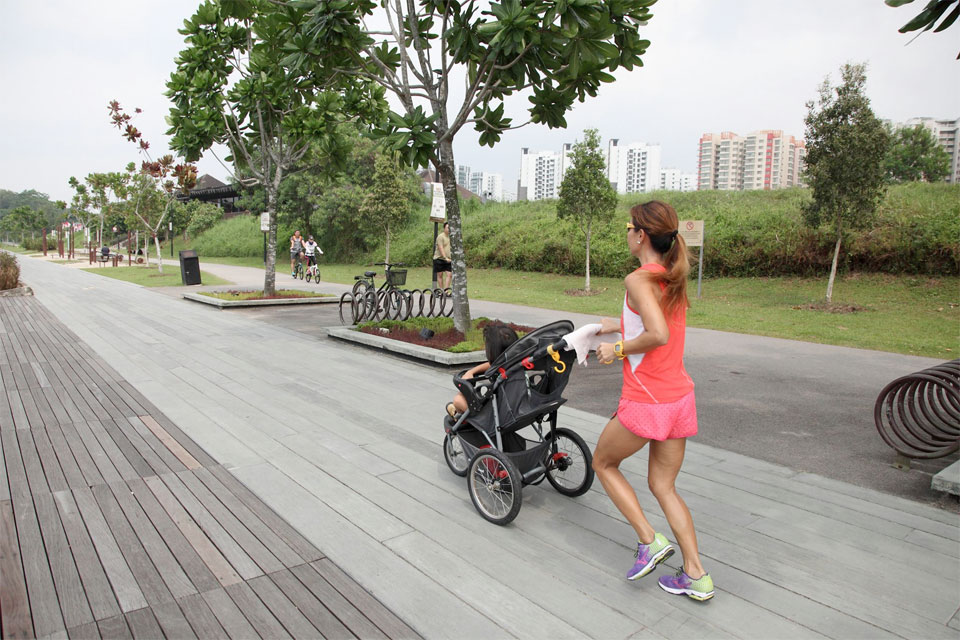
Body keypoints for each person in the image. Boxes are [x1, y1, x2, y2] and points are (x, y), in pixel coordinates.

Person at [591, 200, 714, 602]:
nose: (626, 233)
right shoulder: (670, 275)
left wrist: (618, 349)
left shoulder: (638, 279)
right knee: (664, 485)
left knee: (603, 463)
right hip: (679, 398)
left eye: (629, 227)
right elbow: (655, 321)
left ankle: (649, 540)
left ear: (641, 235)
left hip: (648, 400)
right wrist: (610, 325)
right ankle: (696, 575)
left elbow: (657, 333)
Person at [446, 322, 518, 418]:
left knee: (458, 399)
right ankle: (459, 414)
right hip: (518, 408)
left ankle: (459, 415)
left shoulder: (503, 372)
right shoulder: (516, 364)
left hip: (495, 417)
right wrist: (471, 372)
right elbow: (494, 364)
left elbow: (494, 364)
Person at [433, 222, 452, 290]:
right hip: (439, 258)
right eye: (448, 228)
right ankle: (441, 290)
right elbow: (441, 248)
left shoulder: (451, 237)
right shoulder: (441, 237)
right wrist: (445, 258)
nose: (449, 229)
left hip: (448, 259)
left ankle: (446, 290)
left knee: (449, 275)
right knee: (440, 275)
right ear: (444, 228)